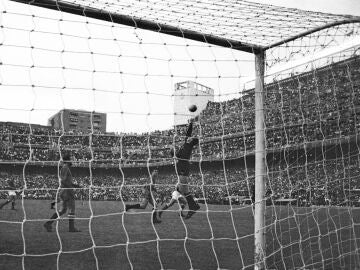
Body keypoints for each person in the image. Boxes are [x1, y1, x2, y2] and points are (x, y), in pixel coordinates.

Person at [44, 153, 81, 232]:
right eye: (71, 159)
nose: (72, 161)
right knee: (72, 209)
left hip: (64, 191)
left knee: (62, 211)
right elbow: (63, 180)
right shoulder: (65, 167)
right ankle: (71, 228)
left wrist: (75, 185)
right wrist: (70, 187)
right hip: (67, 191)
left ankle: (48, 223)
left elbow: (65, 180)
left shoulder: (65, 168)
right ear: (67, 160)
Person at [171, 121, 200, 219]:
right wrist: (173, 153)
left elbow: (189, 134)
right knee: (184, 190)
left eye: (192, 138)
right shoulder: (185, 143)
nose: (190, 137)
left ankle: (193, 206)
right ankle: (193, 206)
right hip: (180, 167)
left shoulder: (189, 146)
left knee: (184, 190)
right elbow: (188, 133)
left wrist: (174, 154)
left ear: (192, 142)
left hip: (183, 168)